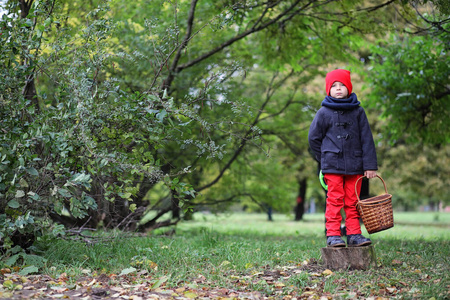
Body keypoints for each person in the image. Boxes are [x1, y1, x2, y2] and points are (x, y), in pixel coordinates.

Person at [308, 69, 378, 247]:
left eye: (342, 85)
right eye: (334, 86)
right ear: (328, 90)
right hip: (332, 165)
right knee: (334, 200)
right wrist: (324, 157)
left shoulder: (358, 112)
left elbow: (367, 139)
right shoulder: (323, 112)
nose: (338, 89)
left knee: (353, 201)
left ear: (349, 88)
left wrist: (369, 165)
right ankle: (333, 235)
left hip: (355, 165)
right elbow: (313, 138)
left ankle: (354, 234)